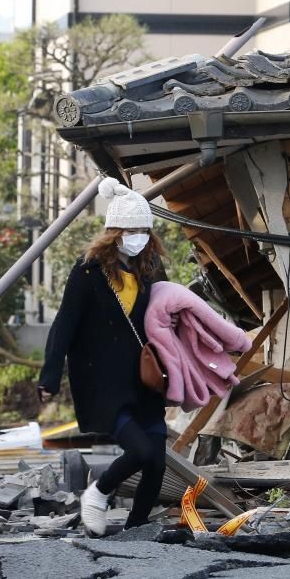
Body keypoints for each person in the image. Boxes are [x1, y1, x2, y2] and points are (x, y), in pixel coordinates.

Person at [38, 176, 177, 536]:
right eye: (131, 230)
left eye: (144, 230)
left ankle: (136, 530)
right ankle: (97, 492)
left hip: (145, 378)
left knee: (157, 463)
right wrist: (49, 377)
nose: (139, 236)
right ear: (114, 232)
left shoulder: (150, 271)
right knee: (141, 452)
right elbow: (65, 322)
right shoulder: (88, 272)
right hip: (104, 380)